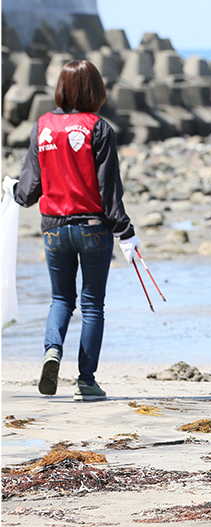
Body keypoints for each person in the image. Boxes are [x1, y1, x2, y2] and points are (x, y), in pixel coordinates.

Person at [3, 60, 140, 402]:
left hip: (53, 229)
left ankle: (52, 351)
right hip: (93, 228)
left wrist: (11, 188)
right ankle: (86, 381)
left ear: (61, 88)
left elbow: (29, 191)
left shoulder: (42, 126)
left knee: (61, 299)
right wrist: (126, 233)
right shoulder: (99, 128)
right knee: (92, 305)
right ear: (95, 90)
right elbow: (109, 192)